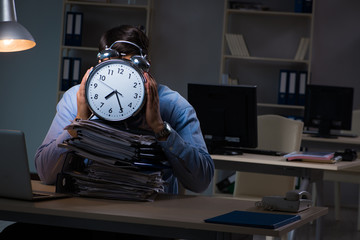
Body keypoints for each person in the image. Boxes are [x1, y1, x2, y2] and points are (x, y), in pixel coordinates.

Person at [35, 25, 214, 194]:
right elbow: (46, 173)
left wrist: (160, 128)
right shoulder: (75, 99)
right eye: (112, 66)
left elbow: (201, 182)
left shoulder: (174, 105)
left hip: (151, 215)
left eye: (129, 67)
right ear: (99, 66)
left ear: (146, 67)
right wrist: (79, 122)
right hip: (90, 210)